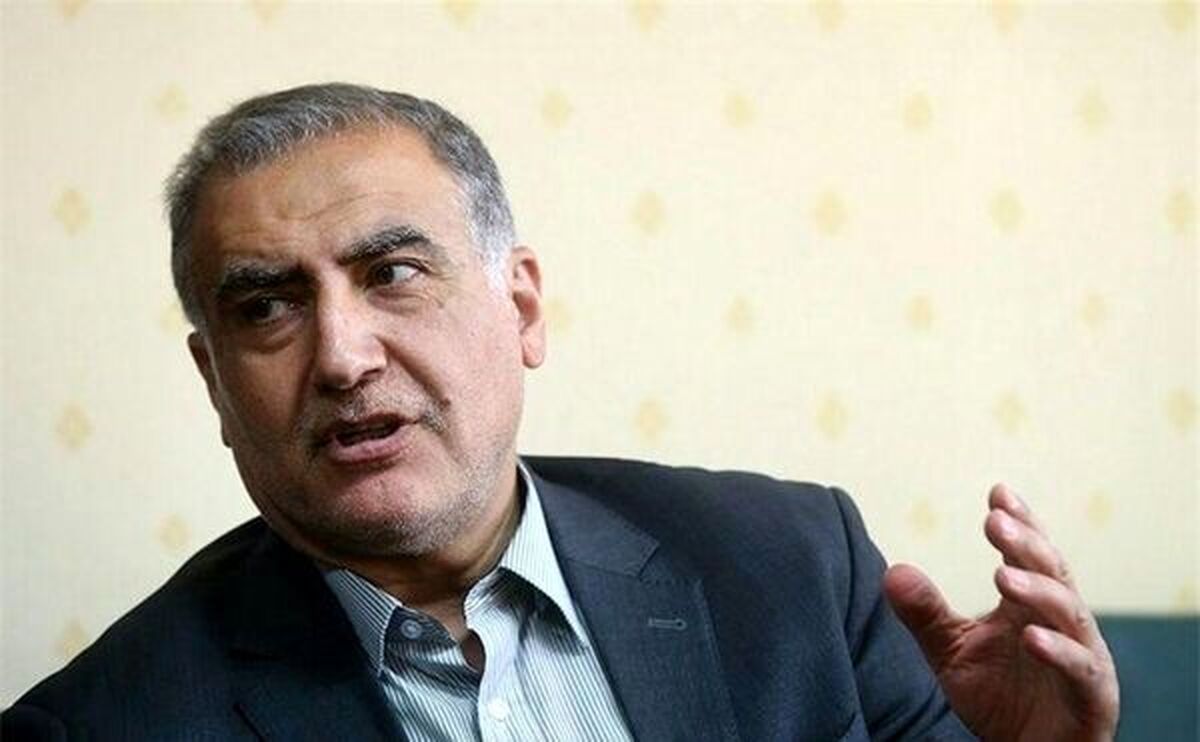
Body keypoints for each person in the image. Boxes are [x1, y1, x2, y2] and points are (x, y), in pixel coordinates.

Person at [3, 83, 1118, 741]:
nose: (342, 356)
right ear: (214, 381)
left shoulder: (793, 569)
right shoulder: (99, 725)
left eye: (393, 273)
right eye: (267, 306)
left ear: (522, 307)